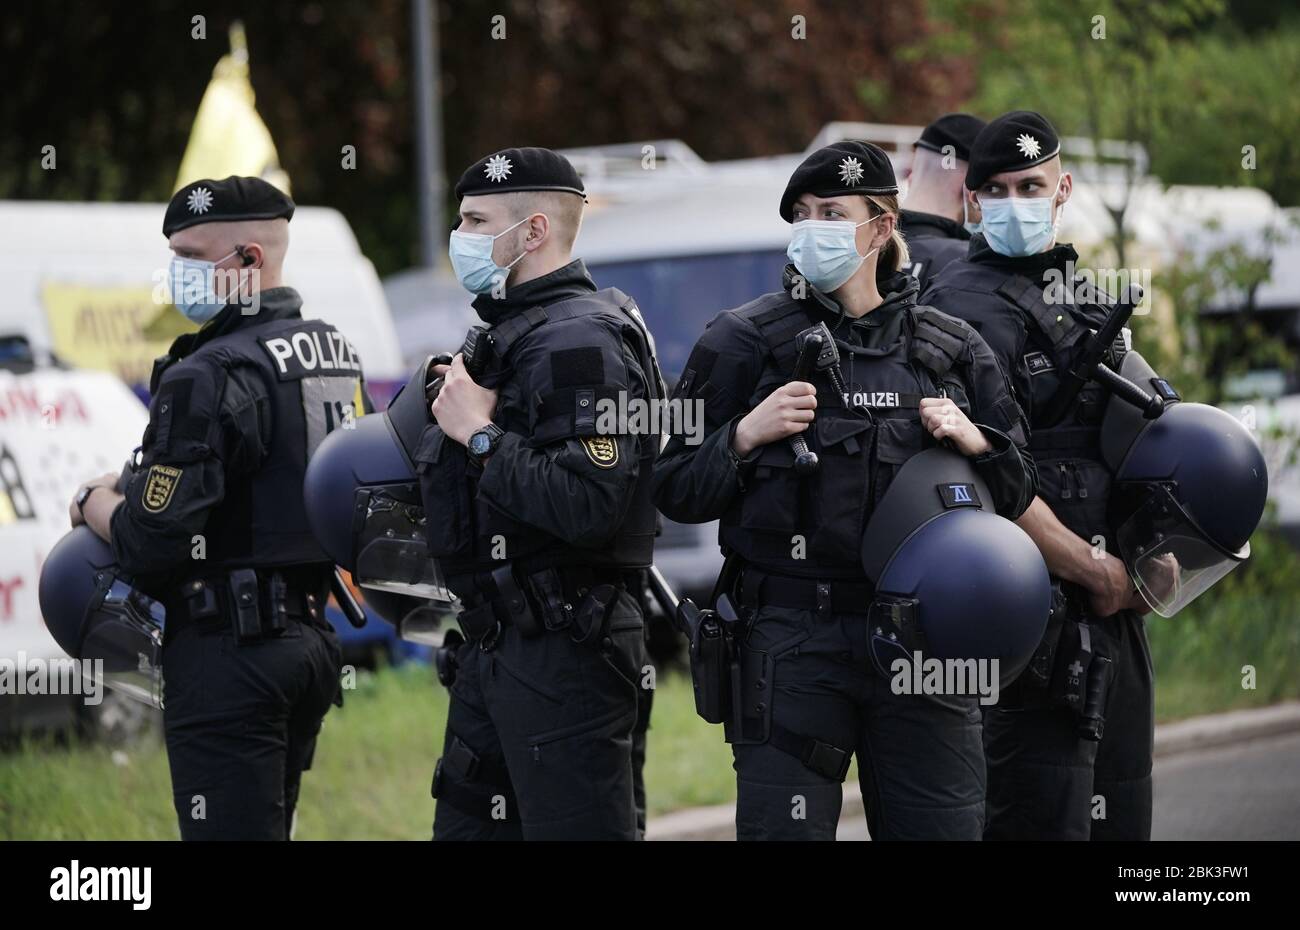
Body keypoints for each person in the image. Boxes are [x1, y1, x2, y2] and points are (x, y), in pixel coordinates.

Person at [652, 141, 1037, 840]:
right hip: (792, 644)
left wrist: (979, 443)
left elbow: (1016, 494)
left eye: (831, 212)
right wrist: (741, 436)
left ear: (882, 226)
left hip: (928, 642)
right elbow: (673, 487)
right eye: (801, 214)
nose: (811, 229)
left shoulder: (952, 349)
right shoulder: (742, 343)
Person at [67, 176, 361, 840]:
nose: (176, 275)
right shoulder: (332, 350)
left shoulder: (209, 372)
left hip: (230, 652)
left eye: (194, 259)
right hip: (310, 640)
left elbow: (149, 543)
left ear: (250, 259)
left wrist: (94, 502)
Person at [421, 147, 664, 840]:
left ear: (533, 232)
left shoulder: (578, 342)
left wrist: (479, 436)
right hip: (500, 640)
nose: (460, 238)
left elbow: (587, 505)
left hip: (568, 647)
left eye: (474, 221)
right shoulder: (512, 333)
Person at [924, 111, 1156, 840]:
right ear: (971, 199)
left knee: (1126, 826)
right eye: (997, 188)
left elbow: (1140, 450)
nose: (1017, 202)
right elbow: (989, 482)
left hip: (1115, 618)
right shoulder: (954, 313)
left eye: (1032, 184)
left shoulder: (1091, 301)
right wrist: (1095, 571)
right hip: (1029, 625)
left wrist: (1156, 558)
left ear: (1064, 188)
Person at [899, 113, 986, 290]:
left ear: (912, 177)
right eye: (992, 188)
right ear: (970, 188)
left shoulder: (866, 246)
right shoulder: (968, 265)